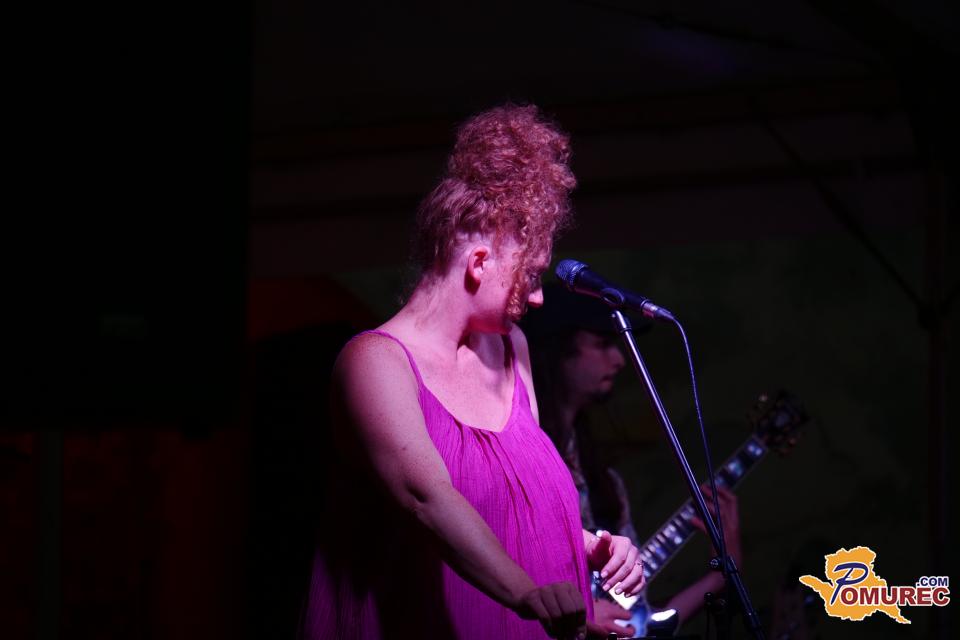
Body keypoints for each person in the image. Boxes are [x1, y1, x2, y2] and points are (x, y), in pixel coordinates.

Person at [302, 105, 644, 640]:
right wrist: (526, 594)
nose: (537, 297)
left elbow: (515, 506)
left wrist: (589, 545)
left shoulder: (511, 349)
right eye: (531, 275)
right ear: (480, 262)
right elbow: (427, 499)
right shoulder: (375, 361)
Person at [522, 283, 743, 638]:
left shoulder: (605, 483)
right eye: (602, 343)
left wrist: (720, 576)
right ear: (557, 349)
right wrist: (578, 610)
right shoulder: (522, 456)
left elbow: (639, 619)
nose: (620, 359)